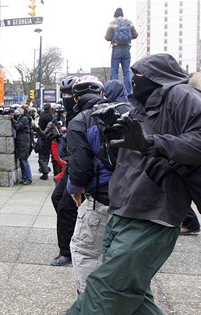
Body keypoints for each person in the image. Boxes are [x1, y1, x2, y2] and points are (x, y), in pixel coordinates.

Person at [28, 53, 201, 315]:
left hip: (152, 214)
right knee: (133, 296)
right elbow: (128, 156)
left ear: (157, 74)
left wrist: (150, 143)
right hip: (124, 209)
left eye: (138, 72)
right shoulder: (141, 105)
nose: (133, 77)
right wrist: (114, 135)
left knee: (106, 289)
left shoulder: (181, 95)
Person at [66, 76, 129, 295]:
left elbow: (79, 165)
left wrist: (74, 189)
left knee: (85, 251)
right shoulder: (127, 112)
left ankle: (89, 308)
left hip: (102, 197)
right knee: (122, 256)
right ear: (101, 94)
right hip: (137, 197)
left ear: (76, 98)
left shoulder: (80, 121)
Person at [48, 77, 80, 266]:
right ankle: (71, 241)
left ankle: (67, 250)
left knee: (66, 206)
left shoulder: (82, 112)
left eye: (71, 94)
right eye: (65, 94)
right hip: (71, 164)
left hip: (79, 165)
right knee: (57, 199)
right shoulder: (71, 113)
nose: (67, 98)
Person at [104, 7, 138, 95]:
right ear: (123, 15)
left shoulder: (112, 23)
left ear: (114, 15)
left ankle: (114, 91)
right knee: (126, 71)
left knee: (114, 70)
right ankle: (128, 92)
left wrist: (113, 38)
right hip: (126, 49)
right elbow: (135, 35)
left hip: (116, 49)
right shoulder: (129, 23)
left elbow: (107, 37)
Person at [11, 105, 33, 185]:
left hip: (23, 141)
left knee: (24, 160)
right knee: (22, 160)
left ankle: (28, 178)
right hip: (22, 141)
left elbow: (17, 126)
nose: (19, 110)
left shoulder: (24, 118)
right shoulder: (22, 117)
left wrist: (12, 119)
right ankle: (24, 177)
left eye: (21, 109)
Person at [37, 103, 53, 180]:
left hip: (43, 137)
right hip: (50, 138)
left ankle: (44, 171)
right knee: (47, 154)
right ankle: (45, 167)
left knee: (42, 156)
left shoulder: (42, 117)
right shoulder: (51, 116)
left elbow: (39, 128)